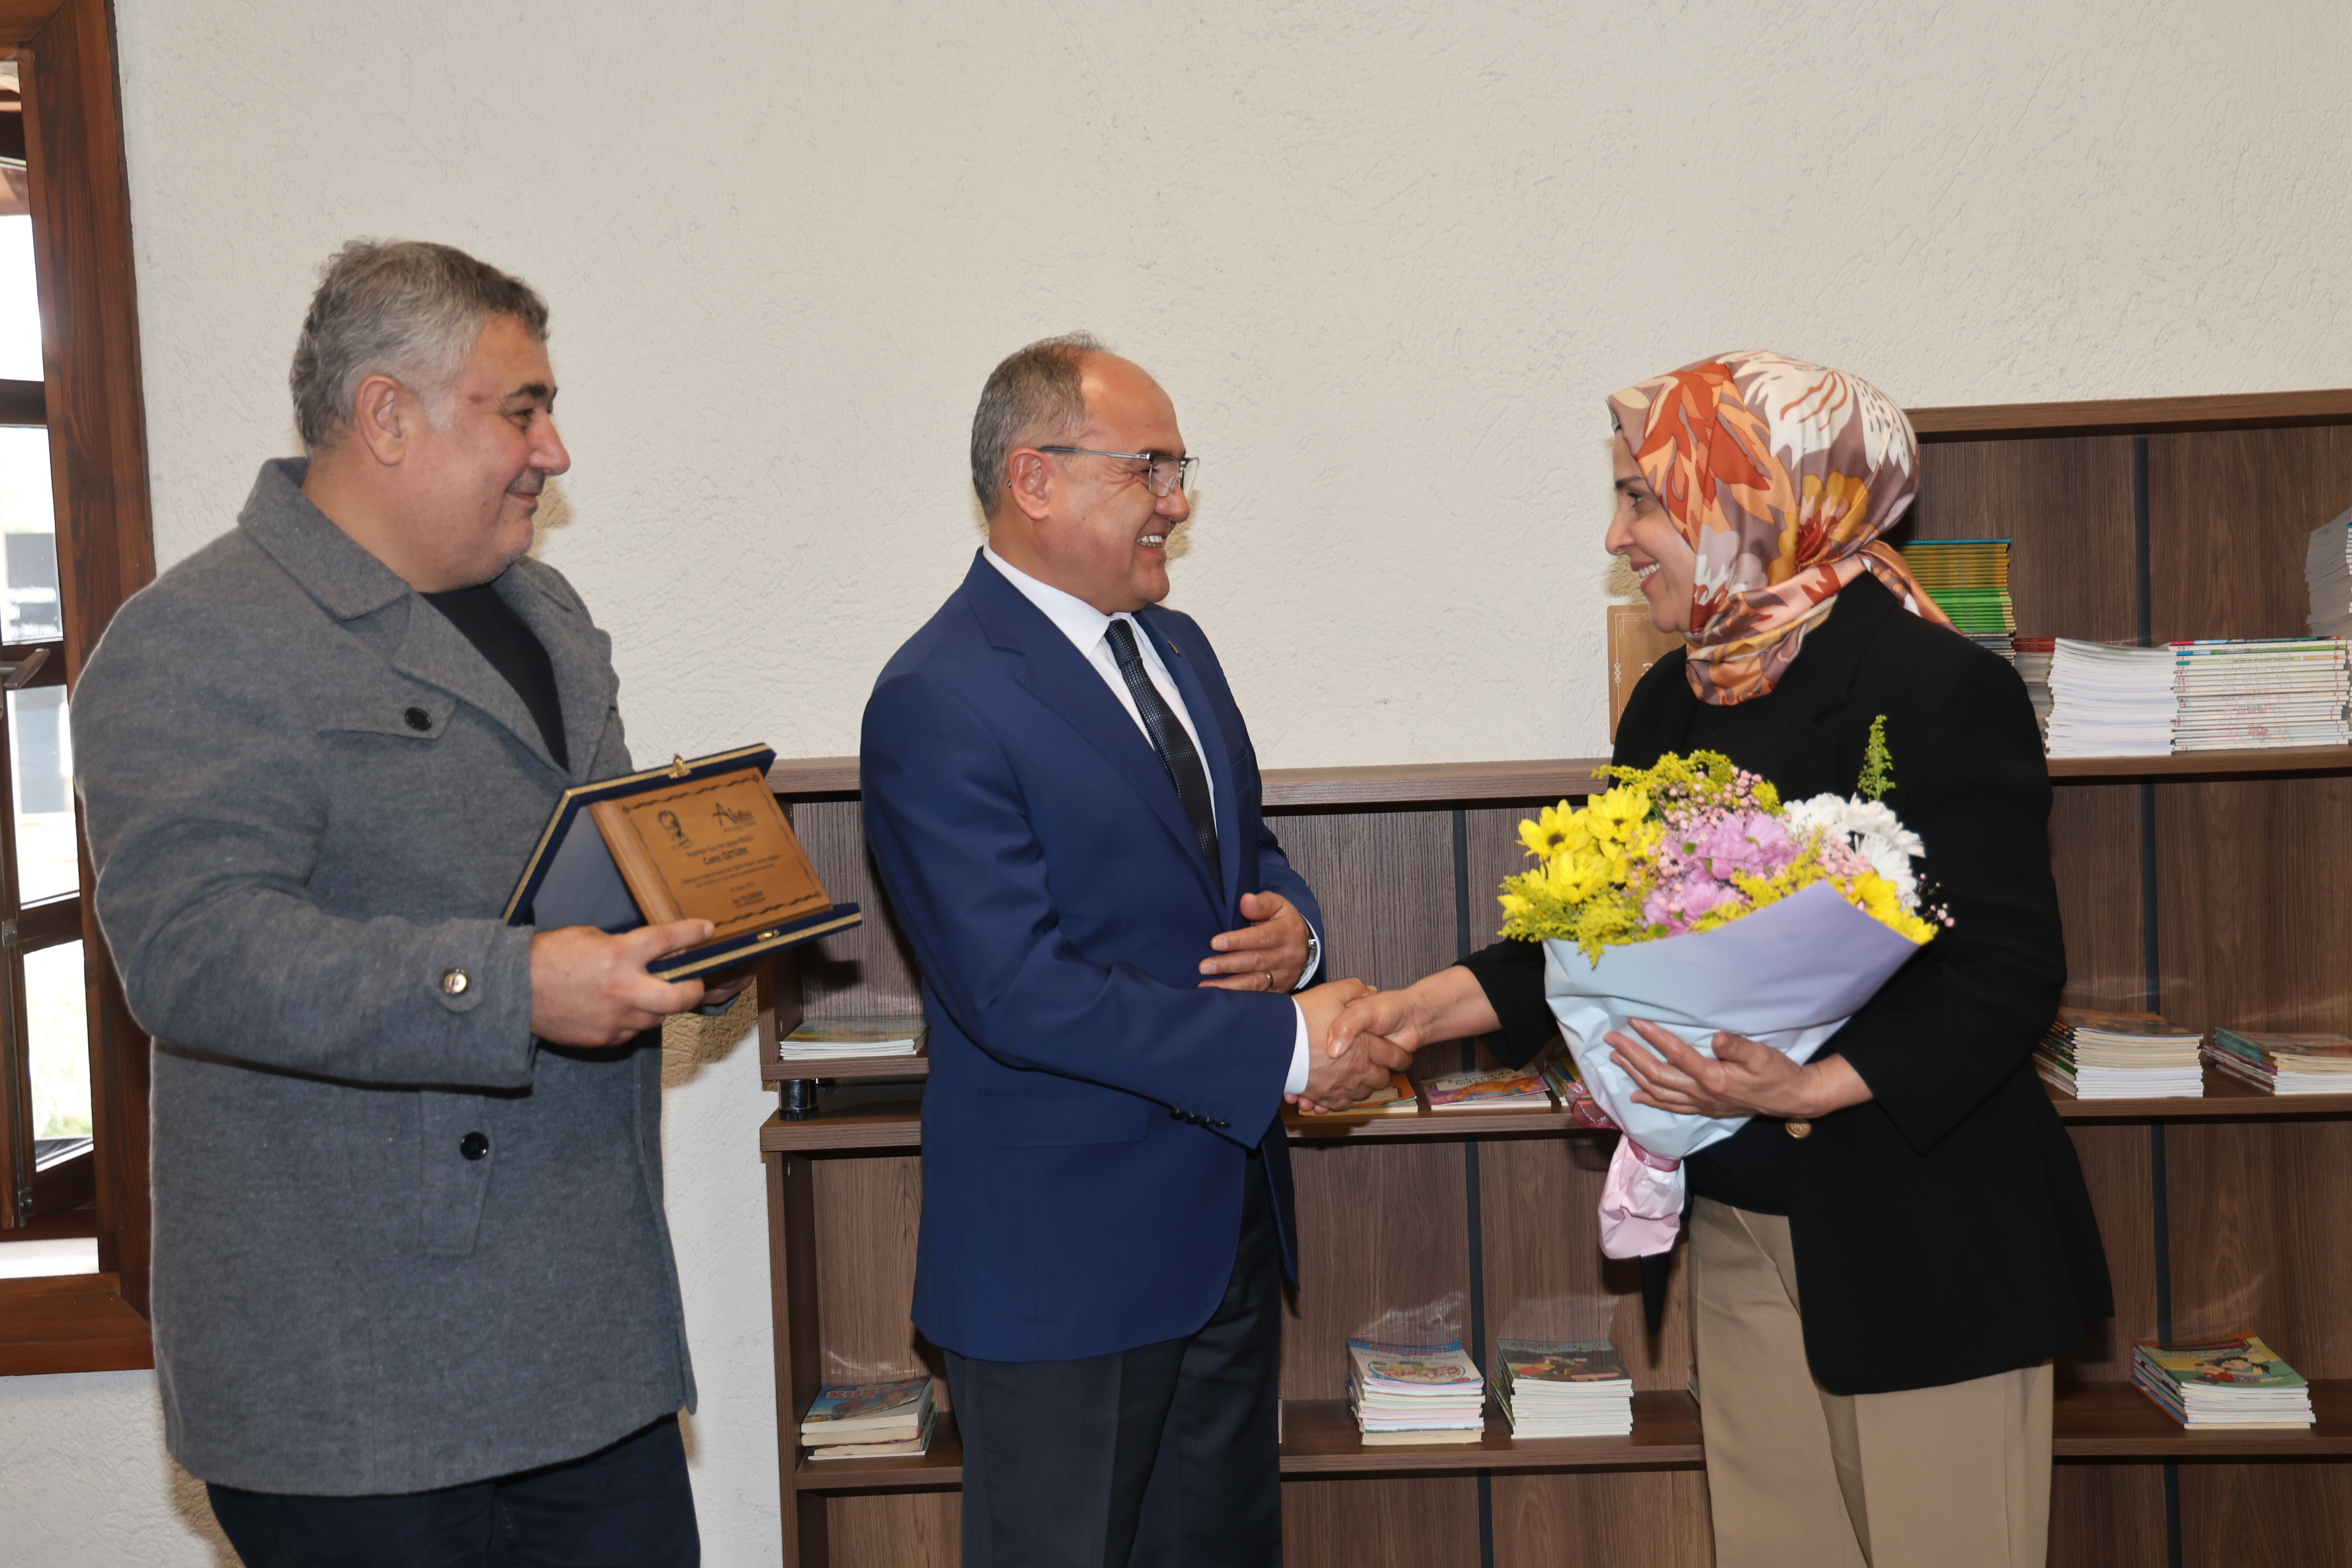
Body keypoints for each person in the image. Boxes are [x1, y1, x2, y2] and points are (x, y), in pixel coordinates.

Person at [1325, 352, 2112, 1568]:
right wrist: (1408, 1015)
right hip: (1743, 1217)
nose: (1618, 534)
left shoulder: (1936, 685)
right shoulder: (1671, 698)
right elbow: (1589, 934)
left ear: (1754, 498)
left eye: (1643, 498)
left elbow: (2006, 967)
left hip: (1924, 1236)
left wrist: (1810, 1084)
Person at [73, 240, 730, 1567]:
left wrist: (691, 929)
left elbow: (585, 866)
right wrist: (512, 987)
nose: (553, 452)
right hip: (356, 1380)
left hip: (586, 1347)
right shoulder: (200, 633)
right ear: (387, 414)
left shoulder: (544, 610)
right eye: (521, 410)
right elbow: (195, 949)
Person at [860, 334, 1404, 1568]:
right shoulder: (939, 694)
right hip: (1062, 1269)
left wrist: (1298, 929)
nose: (1177, 501)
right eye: (1149, 468)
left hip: (1223, 1236)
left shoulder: (1179, 647)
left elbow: (1246, 851)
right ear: (1034, 479)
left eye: (1179, 469)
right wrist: (1286, 1045)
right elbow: (1014, 989)